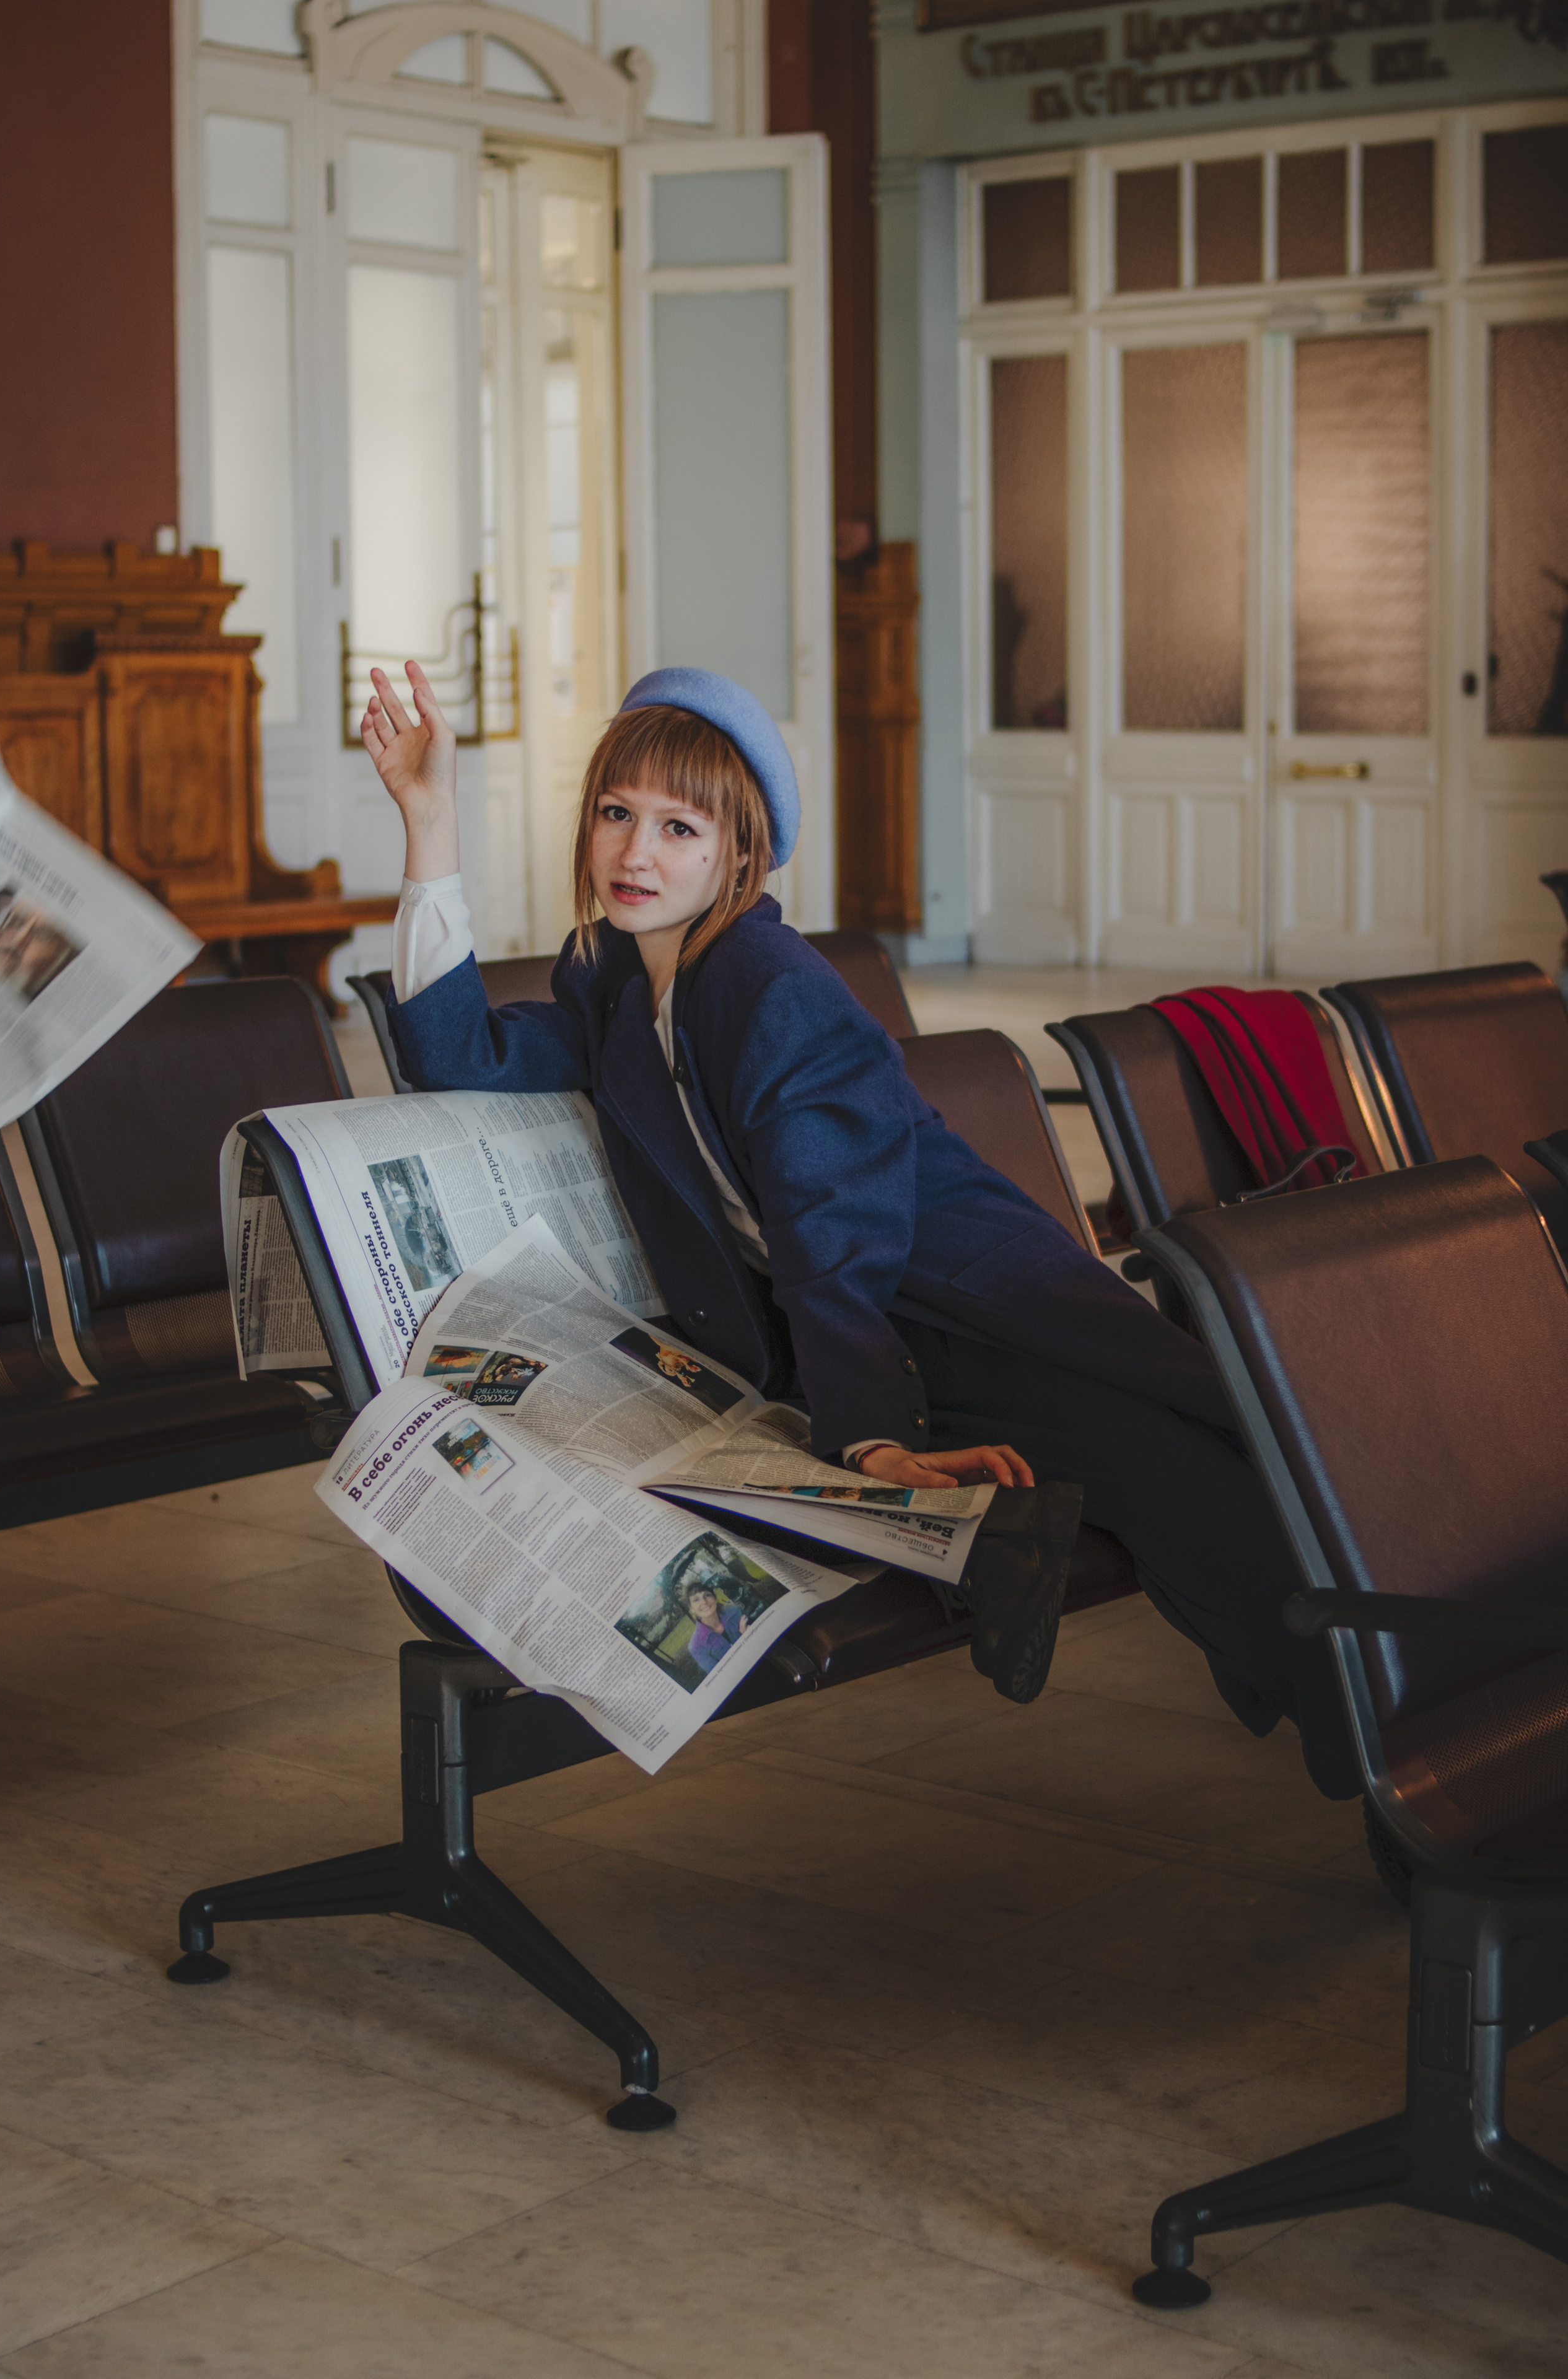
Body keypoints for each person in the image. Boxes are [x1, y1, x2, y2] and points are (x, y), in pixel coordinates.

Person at [361, 657, 1356, 1796]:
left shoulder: (771, 984)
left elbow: (834, 1227)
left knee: (1202, 1498)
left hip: (971, 1310)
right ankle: (1030, 1563)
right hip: (863, 1332)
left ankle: (1395, 1746)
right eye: (616, 815)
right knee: (1092, 1492)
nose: (637, 854)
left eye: (680, 828)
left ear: (742, 853)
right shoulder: (618, 985)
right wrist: (429, 820)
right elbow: (457, 1055)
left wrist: (870, 1433)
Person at [683, 1583, 745, 1676]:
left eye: (707, 1595)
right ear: (691, 1608)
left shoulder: (734, 1611)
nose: (704, 1602)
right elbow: (721, 1677)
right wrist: (745, 1639)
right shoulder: (696, 1646)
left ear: (715, 1599)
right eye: (696, 1599)